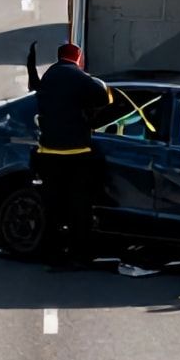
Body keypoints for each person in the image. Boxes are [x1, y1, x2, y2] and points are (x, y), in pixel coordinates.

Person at [31, 42, 112, 266]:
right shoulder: (78, 77)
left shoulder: (49, 76)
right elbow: (103, 97)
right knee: (79, 206)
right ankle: (79, 255)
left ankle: (52, 253)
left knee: (53, 206)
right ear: (78, 57)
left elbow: (37, 92)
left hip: (48, 154)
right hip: (76, 154)